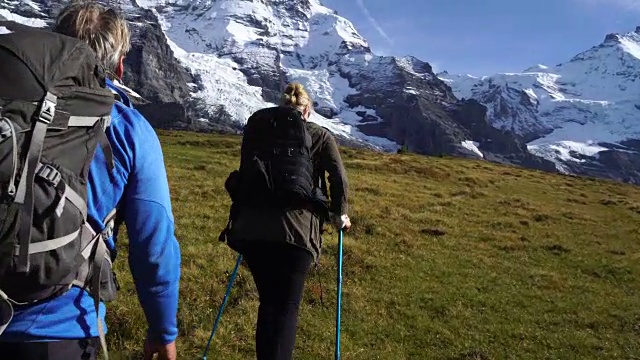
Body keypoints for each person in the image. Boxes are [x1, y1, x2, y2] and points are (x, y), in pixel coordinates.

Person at [0, 2, 181, 360]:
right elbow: (155, 246)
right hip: (62, 330)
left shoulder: (9, 112)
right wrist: (163, 330)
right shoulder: (129, 129)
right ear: (119, 65)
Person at [224, 82, 351, 360]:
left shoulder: (261, 131)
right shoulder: (320, 135)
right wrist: (339, 214)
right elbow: (338, 177)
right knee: (286, 307)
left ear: (282, 107)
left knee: (268, 304)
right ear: (307, 110)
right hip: (296, 235)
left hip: (252, 231)